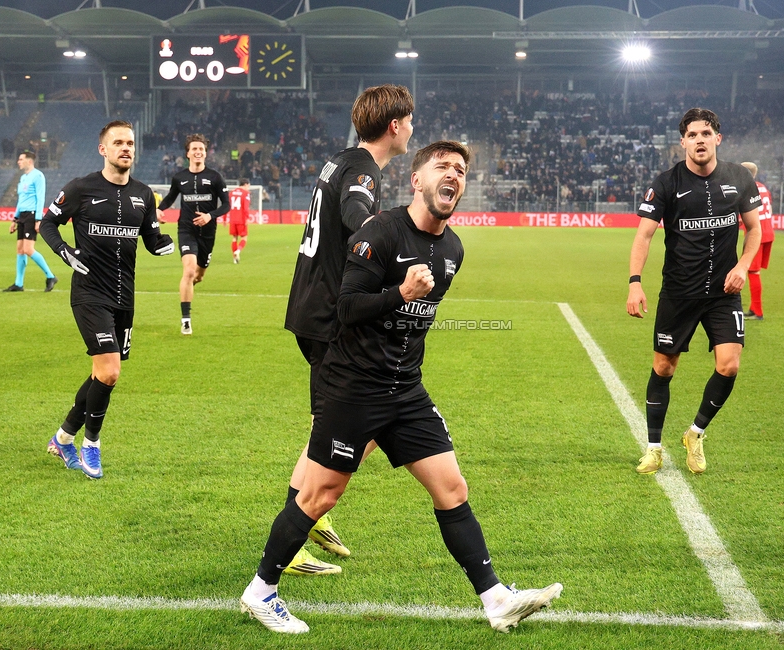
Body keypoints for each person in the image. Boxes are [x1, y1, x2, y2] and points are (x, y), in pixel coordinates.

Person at [240, 141, 562, 634]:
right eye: (442, 166)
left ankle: (495, 598)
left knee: (452, 487)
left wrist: (405, 332)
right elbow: (346, 309)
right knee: (320, 495)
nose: (452, 174)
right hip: (352, 386)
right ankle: (260, 592)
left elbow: (415, 325)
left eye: (460, 169)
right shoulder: (379, 231)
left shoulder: (453, 248)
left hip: (405, 390)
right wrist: (401, 293)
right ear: (417, 180)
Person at [280, 84, 415, 575]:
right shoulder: (361, 171)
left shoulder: (340, 160)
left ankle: (312, 515)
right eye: (411, 120)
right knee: (357, 422)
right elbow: (359, 218)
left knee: (344, 422)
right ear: (395, 125)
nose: (413, 129)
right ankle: (298, 531)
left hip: (313, 310)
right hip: (332, 318)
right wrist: (396, 245)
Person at [627, 108, 761, 476]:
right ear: (682, 141)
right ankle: (654, 448)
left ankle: (695, 433)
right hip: (679, 292)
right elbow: (644, 234)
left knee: (729, 365)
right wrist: (635, 281)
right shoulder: (667, 182)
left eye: (706, 133)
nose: (699, 140)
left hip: (723, 292)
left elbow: (754, 230)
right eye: (692, 134)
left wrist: (742, 266)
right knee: (664, 367)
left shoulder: (739, 179)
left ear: (718, 138)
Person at [39, 120, 175, 479]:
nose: (125, 148)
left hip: (124, 297)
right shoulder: (81, 188)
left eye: (130, 142)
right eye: (118, 142)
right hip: (88, 293)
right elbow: (47, 224)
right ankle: (91, 445)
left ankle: (63, 437)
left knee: (102, 374)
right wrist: (64, 251)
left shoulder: (145, 195)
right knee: (110, 371)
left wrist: (163, 244)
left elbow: (151, 237)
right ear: (104, 149)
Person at [156, 134, 229, 335]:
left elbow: (227, 205)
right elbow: (170, 198)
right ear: (188, 153)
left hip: (207, 232)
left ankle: (191, 284)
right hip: (186, 229)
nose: (198, 152)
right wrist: (158, 209)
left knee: (198, 275)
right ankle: (186, 320)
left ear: (205, 153)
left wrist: (210, 216)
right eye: (194, 149)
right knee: (188, 271)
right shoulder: (179, 178)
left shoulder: (215, 177)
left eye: (201, 149)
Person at [4, 151, 57, 292]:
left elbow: (40, 198)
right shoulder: (22, 178)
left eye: (21, 159)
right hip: (22, 215)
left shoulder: (38, 176)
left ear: (29, 161)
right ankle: (18, 283)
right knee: (20, 249)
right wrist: (14, 219)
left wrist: (38, 219)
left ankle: (50, 276)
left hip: (32, 215)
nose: (18, 161)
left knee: (28, 249)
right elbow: (20, 200)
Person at [740, 162, 774, 320]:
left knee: (753, 272)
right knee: (754, 271)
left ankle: (758, 311)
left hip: (757, 233)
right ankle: (754, 308)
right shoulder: (763, 187)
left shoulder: (745, 188)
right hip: (768, 231)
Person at [227, 178, 250, 264]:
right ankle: (238, 251)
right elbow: (246, 207)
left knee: (234, 238)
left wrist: (225, 218)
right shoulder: (245, 194)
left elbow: (227, 205)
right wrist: (247, 218)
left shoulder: (231, 193)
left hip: (232, 219)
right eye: (248, 186)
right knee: (244, 238)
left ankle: (234, 259)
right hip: (241, 219)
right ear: (246, 184)